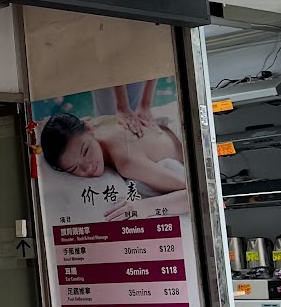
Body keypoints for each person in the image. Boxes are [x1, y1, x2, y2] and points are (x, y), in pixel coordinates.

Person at [38, 79, 189, 217]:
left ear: (89, 129)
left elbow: (191, 193)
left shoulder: (127, 162)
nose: (88, 168)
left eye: (86, 151)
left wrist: (145, 206)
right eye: (74, 168)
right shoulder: (93, 123)